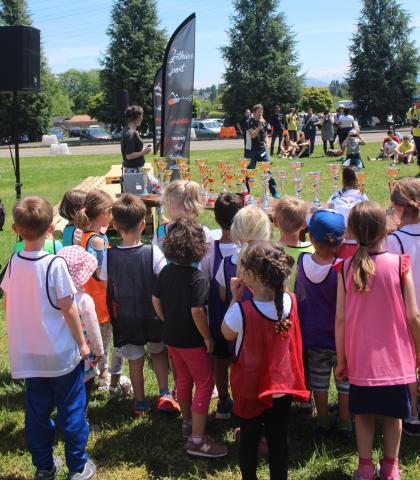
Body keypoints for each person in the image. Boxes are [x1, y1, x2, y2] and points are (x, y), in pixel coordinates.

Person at [0, 196, 96, 480]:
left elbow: (11, 300)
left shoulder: (13, 261)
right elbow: (69, 309)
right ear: (52, 227)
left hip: (29, 354)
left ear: (16, 229)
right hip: (61, 356)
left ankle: (44, 465)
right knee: (72, 410)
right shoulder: (55, 265)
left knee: (36, 413)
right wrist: (82, 342)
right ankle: (77, 466)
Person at [335, 201, 420, 480]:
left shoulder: (345, 268)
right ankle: (391, 466)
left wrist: (342, 358)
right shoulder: (399, 264)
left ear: (353, 232)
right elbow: (414, 316)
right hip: (396, 357)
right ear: (386, 229)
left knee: (363, 415)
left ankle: (364, 467)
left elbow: (340, 320)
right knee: (393, 416)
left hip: (360, 358)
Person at [222, 241, 309, 480]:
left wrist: (234, 298)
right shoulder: (290, 301)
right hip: (281, 389)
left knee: (248, 442)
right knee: (278, 441)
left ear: (250, 275)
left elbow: (226, 332)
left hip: (251, 390)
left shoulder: (241, 311)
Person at [152, 219, 228, 458]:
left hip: (171, 338)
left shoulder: (165, 271)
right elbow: (197, 312)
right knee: (205, 384)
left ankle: (187, 423)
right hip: (193, 341)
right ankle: (197, 439)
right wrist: (207, 337)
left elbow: (155, 300)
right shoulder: (197, 278)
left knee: (183, 380)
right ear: (199, 249)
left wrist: (167, 319)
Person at [99, 194, 179, 417]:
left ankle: (140, 401)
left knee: (135, 360)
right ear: (143, 224)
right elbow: (164, 279)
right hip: (153, 315)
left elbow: (105, 281)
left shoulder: (109, 255)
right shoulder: (153, 252)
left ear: (115, 225)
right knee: (159, 353)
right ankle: (164, 394)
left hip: (126, 317)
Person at [295, 210, 352, 437]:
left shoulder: (302, 261)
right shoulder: (343, 267)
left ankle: (323, 419)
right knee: (344, 382)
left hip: (312, 336)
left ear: (311, 239)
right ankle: (346, 421)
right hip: (340, 339)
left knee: (318, 380)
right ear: (340, 241)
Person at [74, 190, 126, 396]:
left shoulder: (85, 237)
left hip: (88, 299)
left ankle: (93, 371)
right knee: (102, 340)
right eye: (110, 211)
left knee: (93, 338)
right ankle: (103, 374)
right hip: (101, 301)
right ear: (103, 213)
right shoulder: (98, 241)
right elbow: (102, 273)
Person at [200, 193, 243, 420]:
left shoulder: (209, 250)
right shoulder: (245, 251)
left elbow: (204, 281)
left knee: (220, 360)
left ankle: (224, 401)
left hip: (218, 318)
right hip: (240, 318)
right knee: (237, 360)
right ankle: (232, 401)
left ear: (216, 219)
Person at [384, 177, 420, 437]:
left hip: (405, 310)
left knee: (409, 365)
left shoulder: (395, 241)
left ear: (398, 208)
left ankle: (413, 414)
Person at [58, 246, 104, 429]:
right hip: (84, 354)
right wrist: (99, 351)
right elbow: (93, 328)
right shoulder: (84, 300)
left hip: (62, 353)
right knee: (84, 388)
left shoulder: (55, 296)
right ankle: (81, 421)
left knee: (66, 392)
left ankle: (64, 419)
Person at [215, 205, 271, 304]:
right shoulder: (273, 262)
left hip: (237, 317)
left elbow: (223, 296)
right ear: (266, 232)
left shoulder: (226, 263)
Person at [153, 180, 213, 256]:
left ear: (170, 202)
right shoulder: (203, 232)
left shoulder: (161, 231)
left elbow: (154, 261)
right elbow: (210, 262)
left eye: (166, 202)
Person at [273, 197, 314, 288]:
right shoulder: (313, 251)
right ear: (304, 224)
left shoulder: (269, 251)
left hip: (278, 301)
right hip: (304, 301)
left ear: (275, 222)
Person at [246, 104, 279, 198]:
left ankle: (274, 192)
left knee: (268, 171)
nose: (261, 113)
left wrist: (267, 142)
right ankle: (247, 193)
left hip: (262, 150)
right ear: (254, 112)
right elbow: (252, 135)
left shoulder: (263, 122)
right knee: (249, 172)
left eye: (262, 112)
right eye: (259, 112)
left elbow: (265, 134)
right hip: (251, 151)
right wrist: (259, 126)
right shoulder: (249, 122)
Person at [121, 105, 152, 174]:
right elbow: (129, 156)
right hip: (133, 170)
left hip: (133, 169)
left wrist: (143, 149)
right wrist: (143, 152)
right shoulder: (131, 133)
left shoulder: (128, 130)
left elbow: (134, 149)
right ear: (136, 117)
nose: (142, 118)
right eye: (141, 116)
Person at [407, 96, 420, 165]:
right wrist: (414, 124)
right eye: (416, 102)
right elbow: (409, 121)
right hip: (416, 134)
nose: (417, 103)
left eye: (418, 101)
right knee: (419, 151)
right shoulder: (411, 110)